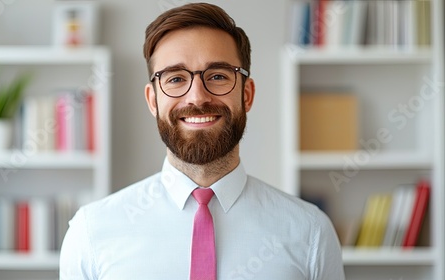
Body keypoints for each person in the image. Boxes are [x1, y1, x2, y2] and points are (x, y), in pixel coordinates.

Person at [59, 3, 345, 280]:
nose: (197, 97)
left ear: (247, 95)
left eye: (218, 76)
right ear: (152, 100)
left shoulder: (311, 232)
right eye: (175, 79)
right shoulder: (91, 232)